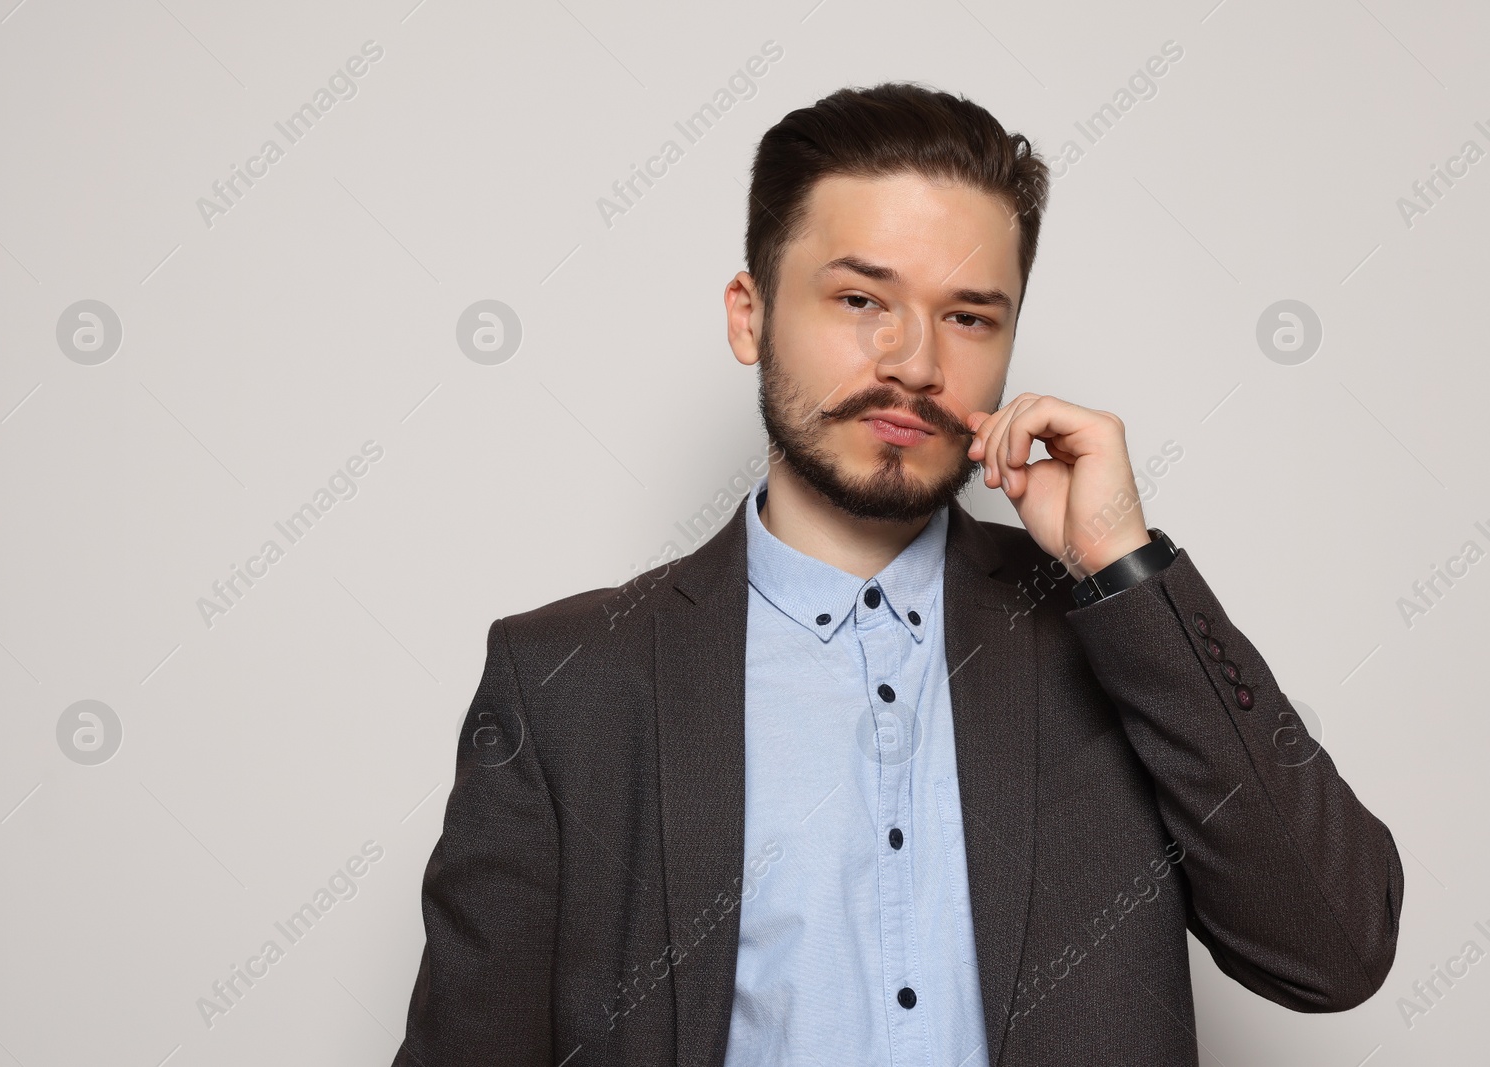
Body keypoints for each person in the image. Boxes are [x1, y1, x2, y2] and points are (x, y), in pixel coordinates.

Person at [389, 82, 1403, 1067]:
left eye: (968, 316)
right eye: (861, 297)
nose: (914, 361)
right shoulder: (568, 681)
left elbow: (1334, 949)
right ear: (749, 315)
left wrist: (1121, 566)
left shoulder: (1110, 632)